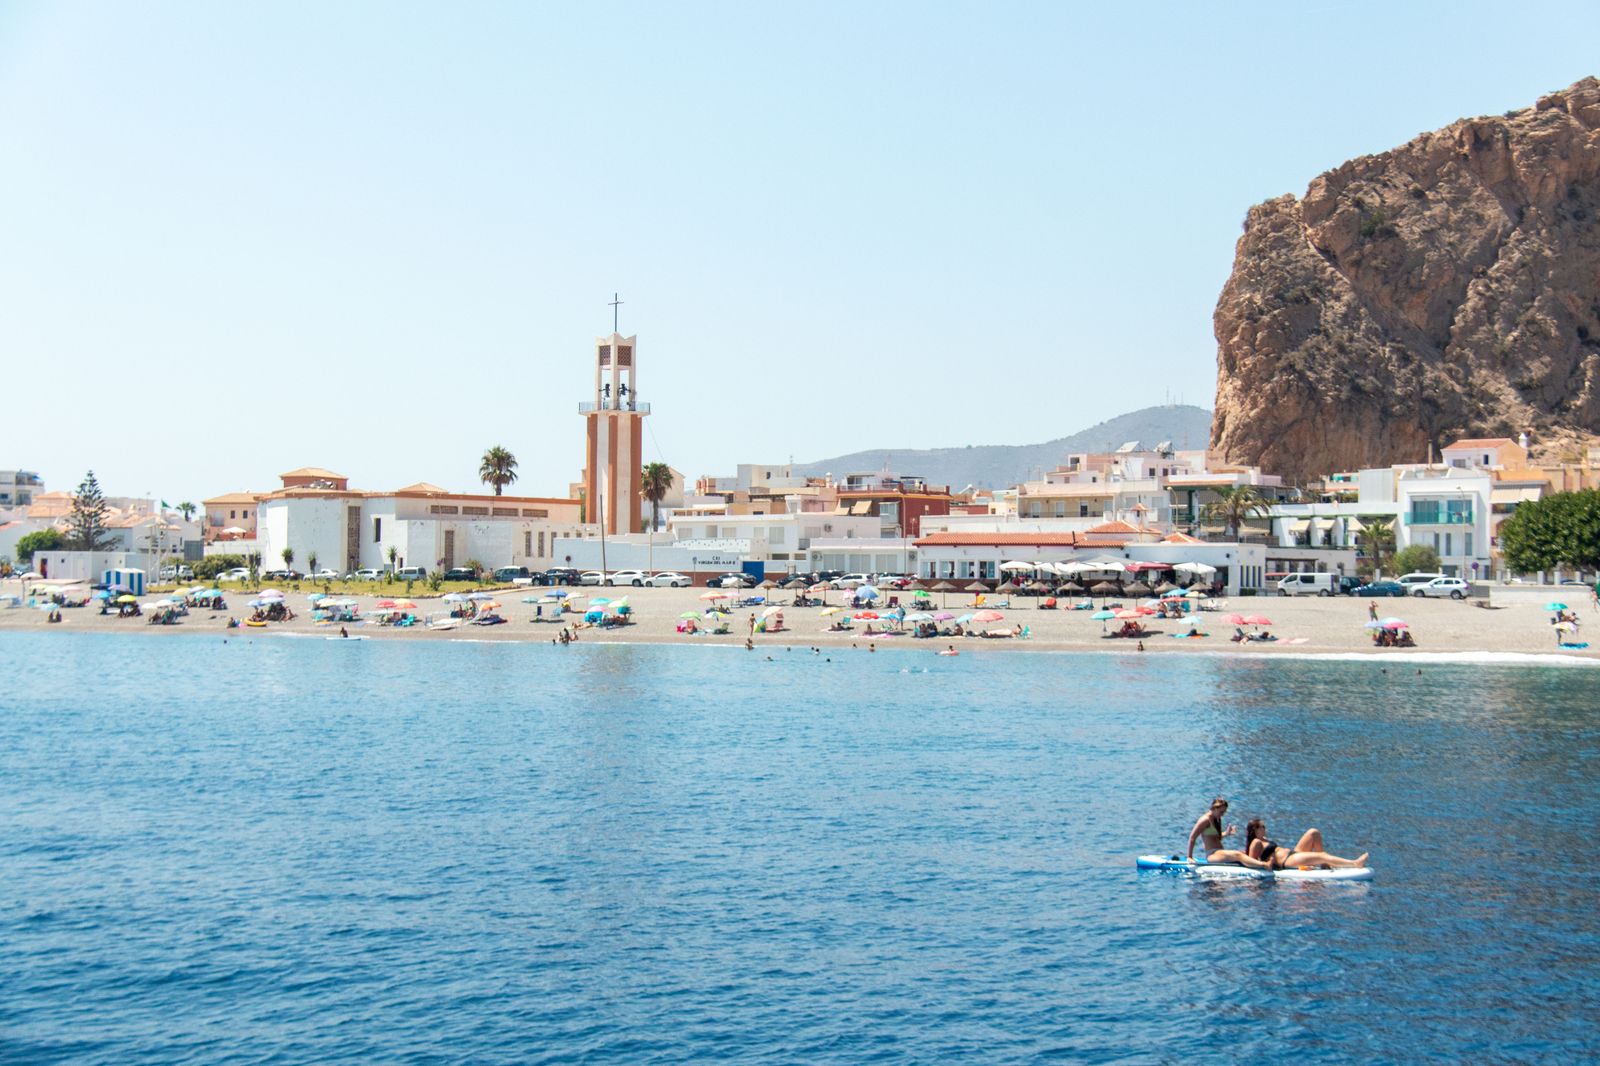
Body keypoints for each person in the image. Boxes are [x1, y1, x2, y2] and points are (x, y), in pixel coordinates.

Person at [1245, 817, 1367, 869]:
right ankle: (1354, 863)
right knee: (1322, 855)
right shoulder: (1256, 842)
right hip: (1288, 860)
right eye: (1262, 827)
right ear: (1255, 829)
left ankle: (1324, 864)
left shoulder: (1264, 839)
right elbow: (1252, 862)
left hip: (1293, 854)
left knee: (1313, 832)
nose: (1265, 828)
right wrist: (1267, 864)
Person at [1186, 797, 1269, 867]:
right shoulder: (1204, 820)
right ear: (1215, 808)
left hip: (1220, 852)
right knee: (1237, 854)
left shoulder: (1217, 819)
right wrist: (1189, 857)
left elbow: (1215, 838)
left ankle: (1260, 862)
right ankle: (1263, 865)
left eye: (1224, 812)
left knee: (1243, 852)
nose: (1223, 814)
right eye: (1221, 812)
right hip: (1212, 855)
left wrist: (1226, 833)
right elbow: (1192, 837)